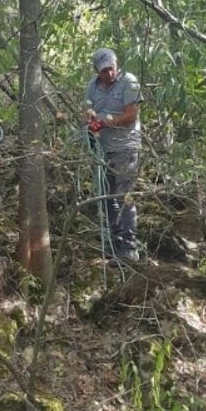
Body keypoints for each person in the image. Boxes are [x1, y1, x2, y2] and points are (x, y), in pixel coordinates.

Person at [84, 47, 141, 261]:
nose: (108, 74)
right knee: (108, 197)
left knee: (123, 195)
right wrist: (89, 121)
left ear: (117, 65)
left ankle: (129, 245)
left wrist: (106, 121)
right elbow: (87, 110)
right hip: (102, 149)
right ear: (96, 72)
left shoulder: (129, 81)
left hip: (126, 147)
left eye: (111, 69)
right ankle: (114, 242)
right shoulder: (92, 87)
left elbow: (131, 114)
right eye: (103, 71)